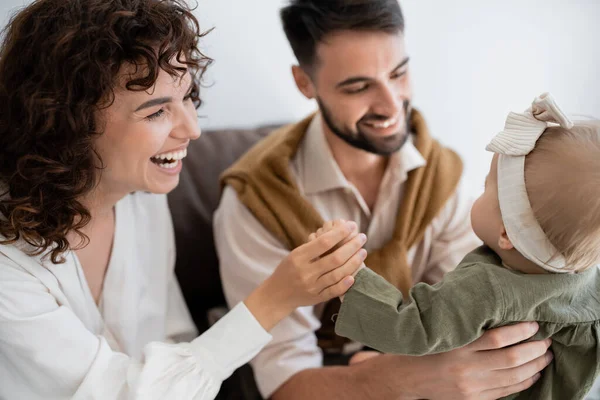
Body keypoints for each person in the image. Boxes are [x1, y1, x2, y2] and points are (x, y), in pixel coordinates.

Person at [0, 1, 367, 399]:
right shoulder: (9, 264)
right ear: (68, 123)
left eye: (188, 95)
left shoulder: (142, 199)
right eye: (157, 112)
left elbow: (175, 341)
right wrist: (275, 298)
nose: (192, 129)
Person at [214, 1, 552, 399]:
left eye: (399, 72)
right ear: (305, 82)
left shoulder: (442, 177)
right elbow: (284, 383)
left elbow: (476, 313)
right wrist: (400, 378)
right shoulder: (255, 202)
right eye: (358, 87)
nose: (392, 106)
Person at [328, 93, 600, 399]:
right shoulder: (589, 285)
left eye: (487, 187)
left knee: (365, 363)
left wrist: (351, 274)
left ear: (507, 233)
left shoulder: (484, 289)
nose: (476, 195)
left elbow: (409, 326)